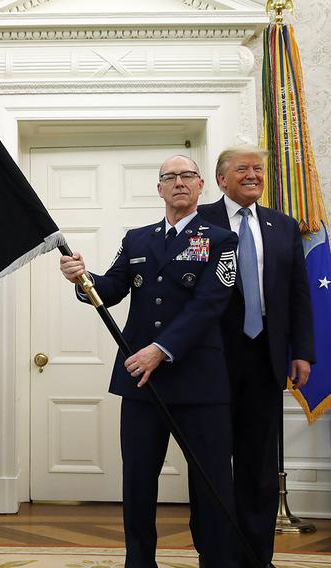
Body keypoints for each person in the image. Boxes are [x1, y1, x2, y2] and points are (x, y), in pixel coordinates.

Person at [59, 155, 240, 567]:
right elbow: (111, 289)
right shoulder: (137, 239)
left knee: (211, 482)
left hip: (199, 382)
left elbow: (209, 305)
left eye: (187, 176)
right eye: (169, 177)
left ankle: (215, 559)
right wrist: (81, 279)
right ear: (159, 188)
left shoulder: (220, 239)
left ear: (201, 187)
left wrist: (161, 349)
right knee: (138, 480)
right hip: (143, 384)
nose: (179, 182)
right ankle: (139, 561)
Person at [198, 144, 315, 566]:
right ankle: (215, 554)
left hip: (265, 356)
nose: (253, 175)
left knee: (259, 465)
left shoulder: (283, 226)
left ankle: (255, 555)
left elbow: (299, 294)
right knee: (212, 463)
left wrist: (302, 351)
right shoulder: (200, 221)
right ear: (221, 178)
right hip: (211, 358)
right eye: (243, 169)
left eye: (258, 169)